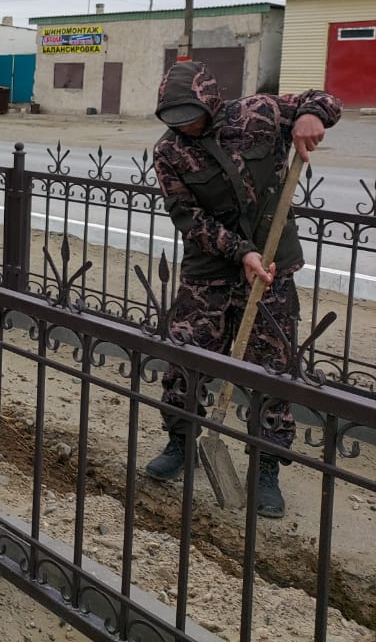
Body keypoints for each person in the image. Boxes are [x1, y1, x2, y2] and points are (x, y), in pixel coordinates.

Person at [145, 60, 340, 516]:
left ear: (211, 101)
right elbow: (188, 218)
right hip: (210, 269)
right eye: (173, 118)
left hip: (273, 267)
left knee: (271, 369)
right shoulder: (169, 151)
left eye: (190, 114)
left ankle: (266, 466)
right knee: (185, 358)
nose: (184, 126)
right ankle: (180, 441)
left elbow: (325, 98)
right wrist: (240, 252)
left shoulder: (260, 113)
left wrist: (314, 117)